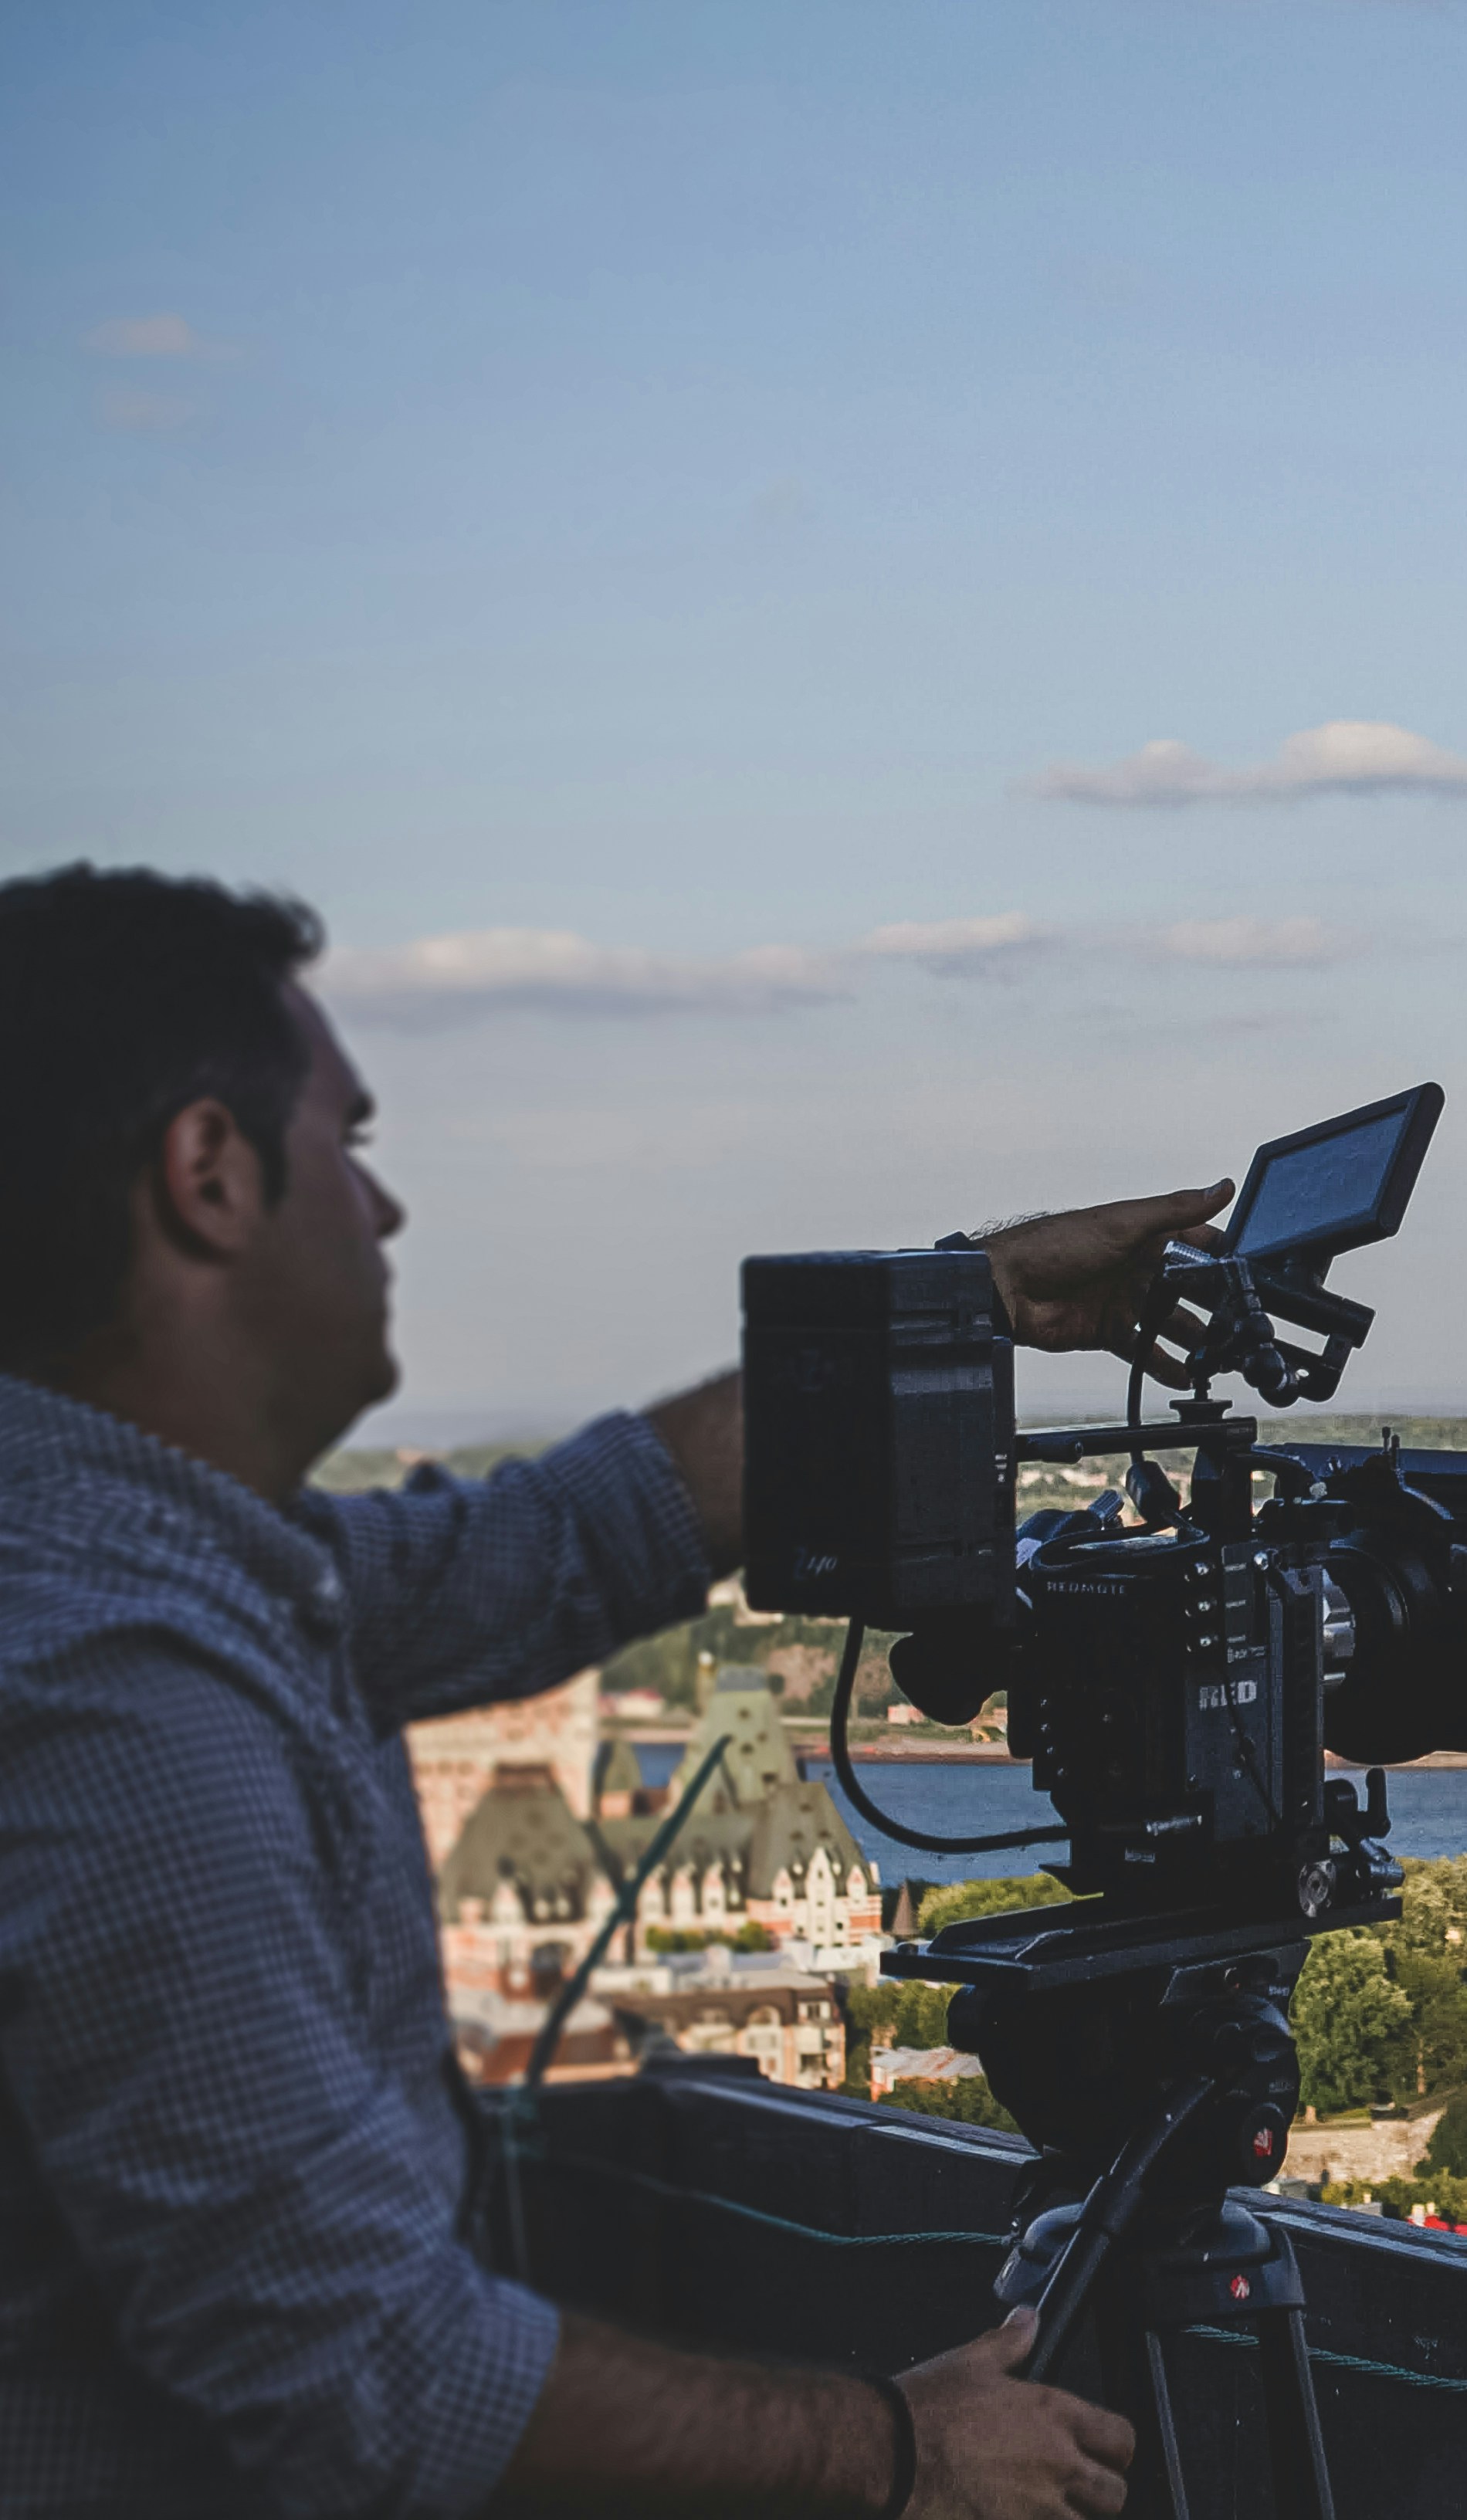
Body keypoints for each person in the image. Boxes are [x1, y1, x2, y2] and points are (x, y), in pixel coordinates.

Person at [0, 865, 1231, 2518]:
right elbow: (368, 2375)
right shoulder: (114, 1686)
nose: (386, 1215)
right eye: (352, 1151)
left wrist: (970, 1301)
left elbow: (563, 1540)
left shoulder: (152, 1561)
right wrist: (898, 2448)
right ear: (210, 1176)